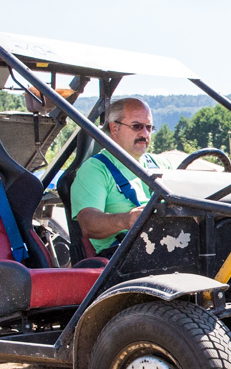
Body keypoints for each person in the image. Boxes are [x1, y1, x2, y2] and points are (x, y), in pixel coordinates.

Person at [71, 98, 170, 257]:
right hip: (123, 257)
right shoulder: (96, 169)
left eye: (149, 127)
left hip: (170, 245)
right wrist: (126, 220)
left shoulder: (162, 164)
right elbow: (88, 224)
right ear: (114, 128)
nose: (145, 134)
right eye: (136, 126)